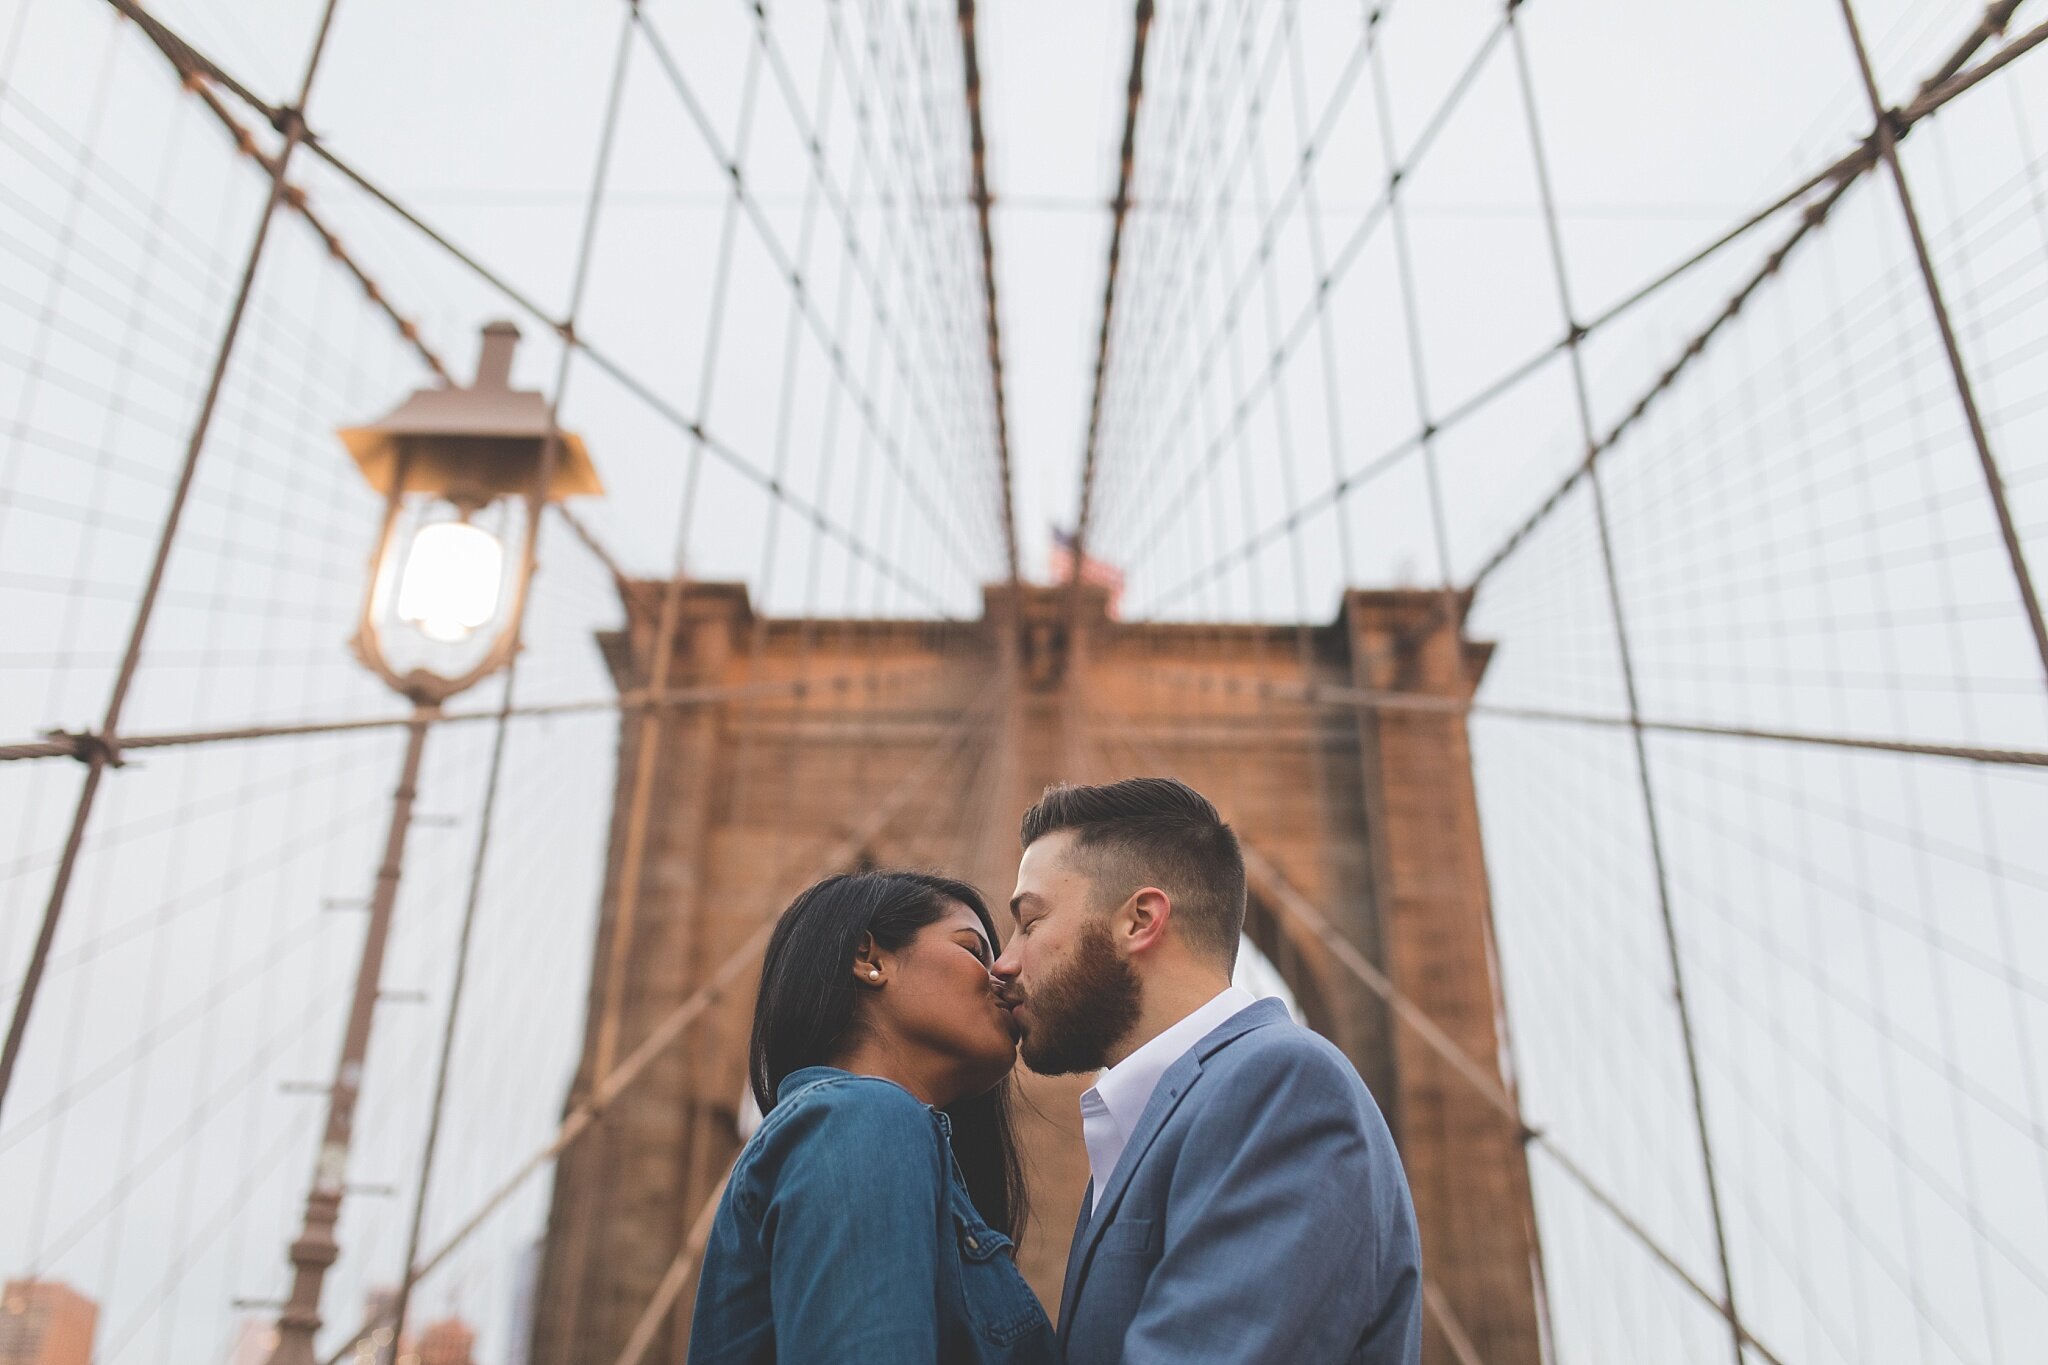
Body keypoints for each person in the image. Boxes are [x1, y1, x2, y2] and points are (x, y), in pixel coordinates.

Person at [992, 777, 1422, 1364]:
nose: (1003, 962)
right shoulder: (1153, 1125)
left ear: (1141, 920)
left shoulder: (1283, 1089)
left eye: (1030, 922)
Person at [689, 871, 1058, 1365]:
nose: (1006, 974)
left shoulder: (858, 1127)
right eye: (974, 950)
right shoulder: (862, 1118)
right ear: (870, 959)